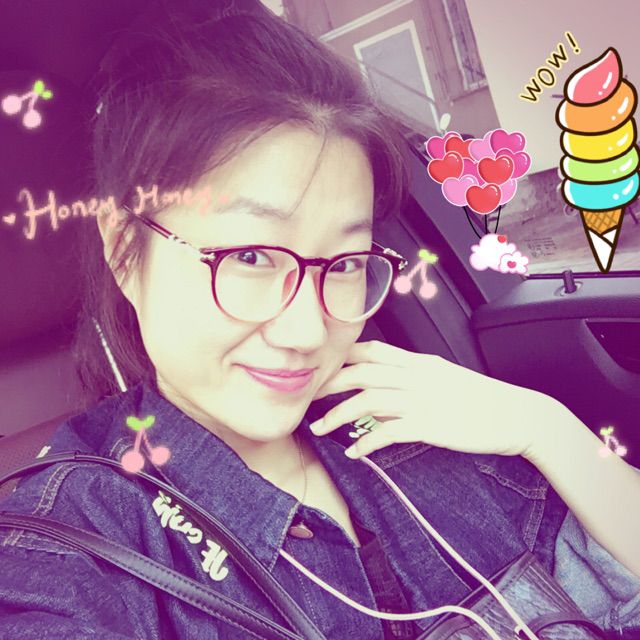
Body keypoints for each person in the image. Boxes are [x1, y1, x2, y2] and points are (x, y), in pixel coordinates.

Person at [0, 1, 639, 638]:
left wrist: (542, 428)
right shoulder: (77, 542)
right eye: (249, 256)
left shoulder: (420, 422)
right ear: (123, 250)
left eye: (346, 262)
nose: (308, 333)